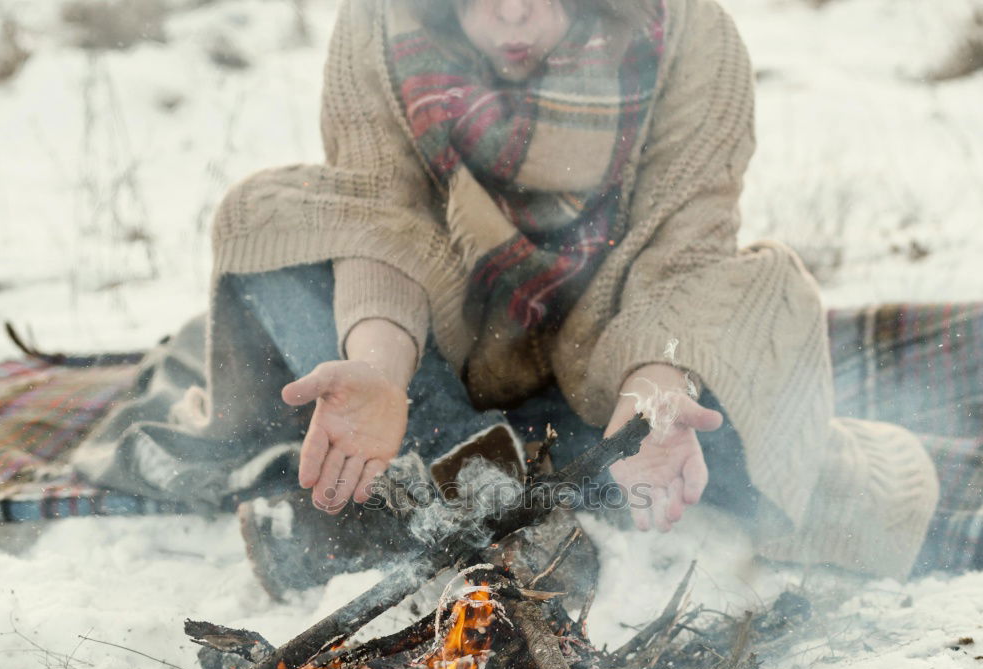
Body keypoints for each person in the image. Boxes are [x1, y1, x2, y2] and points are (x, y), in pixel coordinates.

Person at [73, 0, 947, 596]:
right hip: (439, 359)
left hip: (611, 359)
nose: (514, 13)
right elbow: (378, 214)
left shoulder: (688, 34)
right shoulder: (381, 26)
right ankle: (474, 475)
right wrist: (377, 368)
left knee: (765, 295)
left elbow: (688, 255)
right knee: (270, 217)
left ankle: (518, 480)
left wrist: (657, 399)